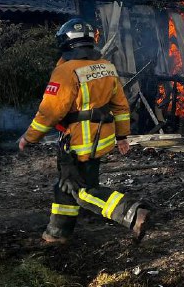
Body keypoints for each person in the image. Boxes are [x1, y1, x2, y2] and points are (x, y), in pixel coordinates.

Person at [18, 18, 151, 243]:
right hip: (101, 140)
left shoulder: (66, 71)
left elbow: (49, 113)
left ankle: (132, 213)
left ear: (66, 43)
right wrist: (122, 136)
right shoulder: (106, 67)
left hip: (77, 142)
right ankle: (58, 233)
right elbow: (120, 106)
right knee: (65, 185)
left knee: (81, 191)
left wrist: (29, 137)